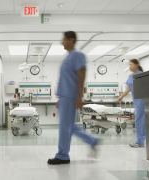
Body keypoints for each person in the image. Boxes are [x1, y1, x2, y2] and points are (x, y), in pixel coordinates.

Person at [48, 31, 99, 165]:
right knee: (69, 126)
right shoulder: (68, 57)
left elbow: (81, 75)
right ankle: (92, 140)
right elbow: (67, 79)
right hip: (66, 96)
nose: (62, 42)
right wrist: (61, 97)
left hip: (71, 96)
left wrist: (79, 96)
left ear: (71, 40)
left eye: (64, 39)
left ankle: (62, 155)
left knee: (65, 126)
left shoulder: (77, 55)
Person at [117, 59, 145, 148]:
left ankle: (140, 141)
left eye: (131, 64)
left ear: (137, 65)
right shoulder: (130, 76)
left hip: (142, 101)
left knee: (139, 121)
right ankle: (140, 140)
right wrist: (121, 97)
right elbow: (128, 89)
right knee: (139, 121)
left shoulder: (141, 75)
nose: (130, 66)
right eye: (129, 65)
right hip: (136, 101)